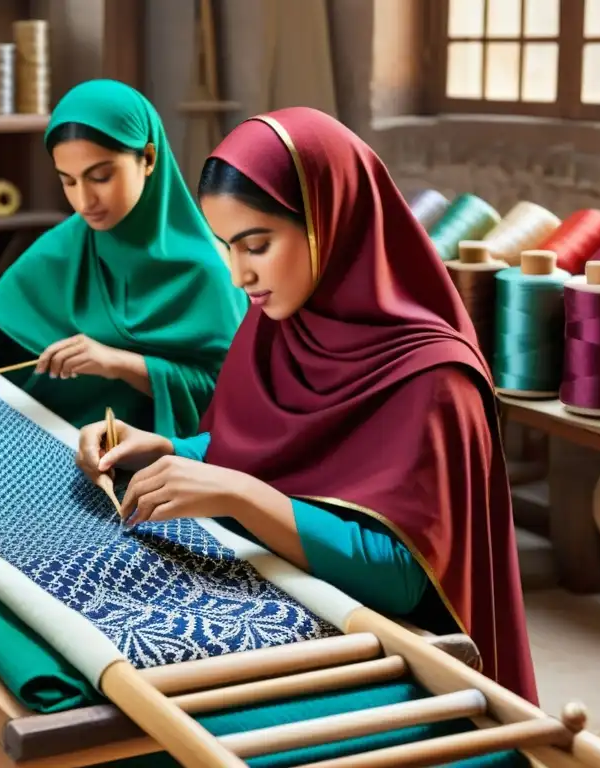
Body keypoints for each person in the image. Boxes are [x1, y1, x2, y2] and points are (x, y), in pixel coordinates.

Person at [76, 107, 538, 704]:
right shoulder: (276, 326)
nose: (240, 275)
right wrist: (166, 449)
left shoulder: (435, 378)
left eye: (257, 245)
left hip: (408, 669)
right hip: (300, 608)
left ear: (330, 220)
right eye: (228, 248)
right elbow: (251, 449)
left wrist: (241, 495)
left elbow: (402, 577)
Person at [0, 79, 247, 437]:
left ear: (148, 158)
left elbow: (233, 402)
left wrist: (120, 364)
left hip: (143, 474)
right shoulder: (67, 243)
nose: (84, 201)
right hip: (31, 445)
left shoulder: (207, 272)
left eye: (101, 176)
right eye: (69, 181)